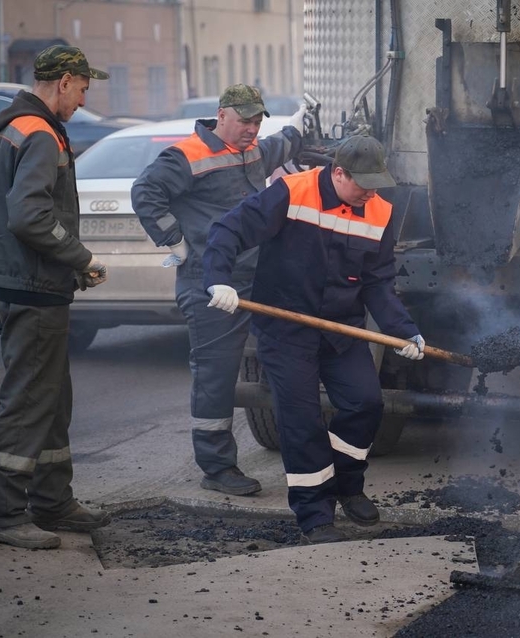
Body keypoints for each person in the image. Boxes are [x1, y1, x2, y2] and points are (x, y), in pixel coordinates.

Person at [202, 135, 425, 544]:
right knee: (300, 420)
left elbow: (378, 283)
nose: (371, 192)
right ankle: (314, 515)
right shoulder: (291, 192)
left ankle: (347, 485)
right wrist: (218, 279)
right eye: (363, 183)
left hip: (341, 330)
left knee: (366, 403)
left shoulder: (380, 211)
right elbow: (229, 229)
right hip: (287, 331)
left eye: (377, 183)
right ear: (337, 173)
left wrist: (403, 330)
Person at [131, 85, 306, 497]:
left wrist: (299, 128)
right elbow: (145, 193)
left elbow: (276, 147)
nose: (252, 129)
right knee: (216, 376)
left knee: (291, 358)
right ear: (221, 115)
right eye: (244, 120)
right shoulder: (187, 155)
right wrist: (174, 239)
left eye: (258, 120)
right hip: (211, 283)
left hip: (255, 276)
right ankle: (217, 467)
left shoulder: (251, 149)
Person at [0, 45, 113, 549]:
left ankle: (53, 502)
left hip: (32, 283)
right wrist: (79, 259)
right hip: (32, 290)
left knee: (53, 401)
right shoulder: (38, 132)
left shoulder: (19, 125)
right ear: (64, 82)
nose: (83, 100)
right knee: (32, 400)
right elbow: (29, 216)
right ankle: (3, 514)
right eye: (82, 89)